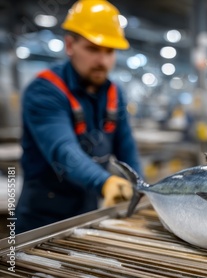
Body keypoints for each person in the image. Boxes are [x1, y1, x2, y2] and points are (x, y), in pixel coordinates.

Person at [16, 0, 141, 233]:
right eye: (93, 49)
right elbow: (64, 151)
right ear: (70, 45)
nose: (102, 61)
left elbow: (127, 148)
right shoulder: (45, 91)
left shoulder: (114, 93)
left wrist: (141, 188)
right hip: (42, 219)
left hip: (88, 212)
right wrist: (104, 182)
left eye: (109, 51)